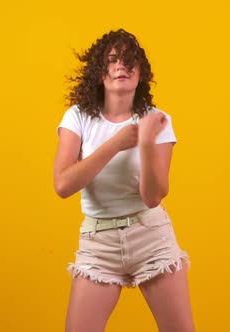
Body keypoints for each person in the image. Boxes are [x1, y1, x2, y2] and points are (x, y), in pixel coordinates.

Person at [54, 29, 195, 332]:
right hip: (98, 243)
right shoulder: (77, 117)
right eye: (113, 60)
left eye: (130, 61)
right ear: (100, 71)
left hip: (150, 236)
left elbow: (153, 197)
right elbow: (63, 185)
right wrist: (117, 143)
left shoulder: (157, 120)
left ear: (140, 72)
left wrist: (145, 143)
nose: (122, 66)